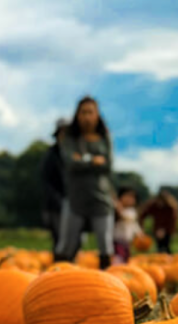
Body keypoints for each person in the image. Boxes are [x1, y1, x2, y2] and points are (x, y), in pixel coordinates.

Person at [56, 96, 115, 270]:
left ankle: (107, 282)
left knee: (105, 244)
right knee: (67, 243)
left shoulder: (105, 137)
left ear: (97, 115)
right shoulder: (69, 137)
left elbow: (108, 165)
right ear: (77, 115)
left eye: (90, 112)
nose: (87, 117)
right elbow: (70, 163)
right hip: (75, 198)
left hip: (101, 198)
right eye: (83, 112)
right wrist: (93, 160)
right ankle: (56, 281)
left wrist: (82, 159)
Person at [40, 119, 68, 251]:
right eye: (62, 133)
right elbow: (46, 181)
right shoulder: (51, 156)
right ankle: (60, 267)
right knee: (59, 239)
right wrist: (58, 199)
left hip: (74, 204)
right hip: (55, 205)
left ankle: (71, 267)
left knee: (74, 239)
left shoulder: (74, 154)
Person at [138, 188, 178, 254]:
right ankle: (161, 260)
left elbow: (172, 221)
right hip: (157, 230)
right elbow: (142, 215)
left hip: (167, 230)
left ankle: (168, 260)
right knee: (159, 248)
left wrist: (165, 230)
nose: (160, 203)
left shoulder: (170, 208)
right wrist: (141, 228)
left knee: (166, 247)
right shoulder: (154, 206)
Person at [113, 187, 142, 263]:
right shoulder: (114, 211)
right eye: (127, 196)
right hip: (117, 240)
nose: (130, 199)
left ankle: (123, 270)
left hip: (127, 241)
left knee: (126, 258)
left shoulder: (131, 211)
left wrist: (139, 233)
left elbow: (131, 221)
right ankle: (116, 270)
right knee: (118, 257)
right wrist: (117, 208)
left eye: (132, 197)